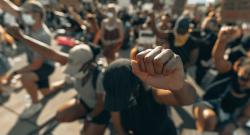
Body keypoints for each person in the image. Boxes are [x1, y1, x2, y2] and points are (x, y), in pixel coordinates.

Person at [7, 27, 110, 135]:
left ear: (89, 63)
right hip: (84, 102)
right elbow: (50, 53)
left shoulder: (100, 76)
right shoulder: (75, 59)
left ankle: (102, 124)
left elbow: (101, 104)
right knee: (60, 116)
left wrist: (89, 118)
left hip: (100, 110)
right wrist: (22, 37)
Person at [103, 46, 198, 135]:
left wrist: (179, 86)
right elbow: (118, 125)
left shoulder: (153, 94)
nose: (118, 102)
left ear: (135, 87)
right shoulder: (113, 98)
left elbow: (188, 99)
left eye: (122, 95)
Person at [0, 0, 55, 118]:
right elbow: (6, 6)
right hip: (35, 64)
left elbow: (36, 65)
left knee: (25, 78)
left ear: (37, 14)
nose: (22, 15)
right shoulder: (29, 22)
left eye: (25, 13)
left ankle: (35, 104)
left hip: (45, 66)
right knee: (46, 92)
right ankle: (64, 82)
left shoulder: (43, 36)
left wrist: (14, 73)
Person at [193, 26, 250, 135]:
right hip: (207, 105)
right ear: (237, 66)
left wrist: (234, 125)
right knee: (210, 119)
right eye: (244, 78)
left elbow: (246, 116)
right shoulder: (230, 70)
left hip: (228, 118)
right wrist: (221, 40)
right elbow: (218, 59)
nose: (247, 84)